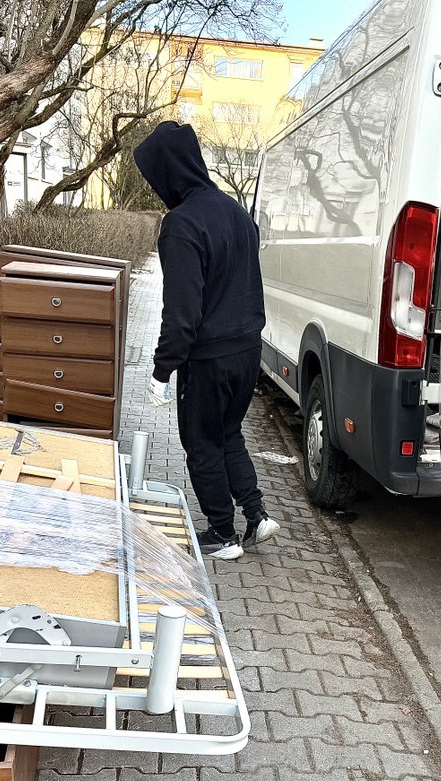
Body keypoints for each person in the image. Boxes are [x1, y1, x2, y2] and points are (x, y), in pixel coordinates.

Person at [134, 120, 280, 561]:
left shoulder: (181, 224)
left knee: (201, 445)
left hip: (209, 358)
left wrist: (162, 369)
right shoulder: (236, 213)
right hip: (248, 350)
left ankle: (222, 533)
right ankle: (256, 514)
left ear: (168, 171)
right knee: (228, 433)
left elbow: (182, 313)